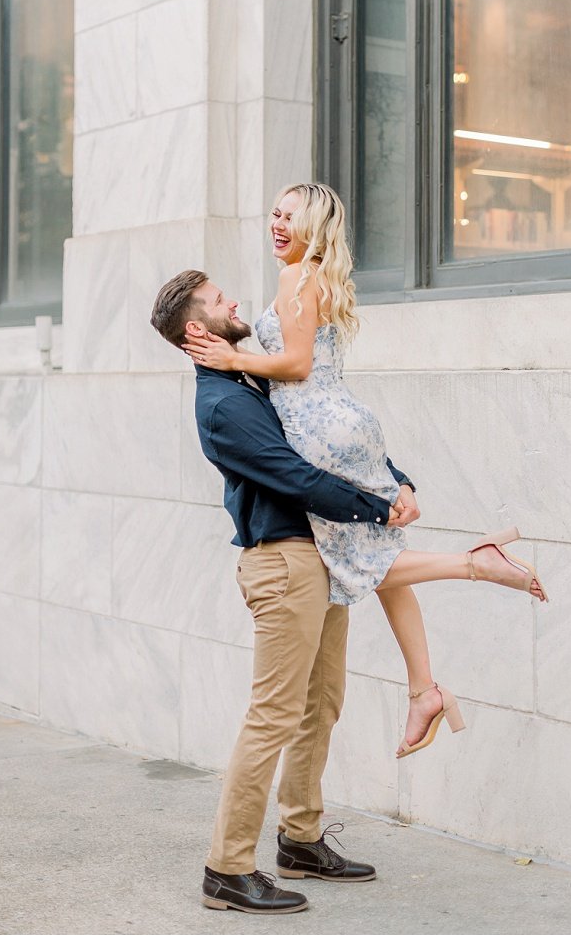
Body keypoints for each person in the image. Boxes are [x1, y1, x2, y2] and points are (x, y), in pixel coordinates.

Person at [182, 183, 547, 760]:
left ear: (315, 228)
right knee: (382, 558)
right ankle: (423, 688)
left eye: (290, 218)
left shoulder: (295, 277)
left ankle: (475, 564)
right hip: (347, 419)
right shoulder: (319, 275)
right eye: (274, 213)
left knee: (362, 561)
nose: (277, 225)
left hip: (315, 427)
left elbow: (296, 365)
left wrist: (234, 358)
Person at [151, 269, 403, 914]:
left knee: (322, 705)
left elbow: (329, 431)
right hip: (285, 562)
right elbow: (293, 474)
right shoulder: (222, 405)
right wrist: (375, 506)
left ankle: (301, 837)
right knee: (273, 717)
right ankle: (227, 868)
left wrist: (395, 480)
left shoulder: (253, 375)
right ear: (195, 329)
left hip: (320, 554)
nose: (234, 299)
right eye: (218, 299)